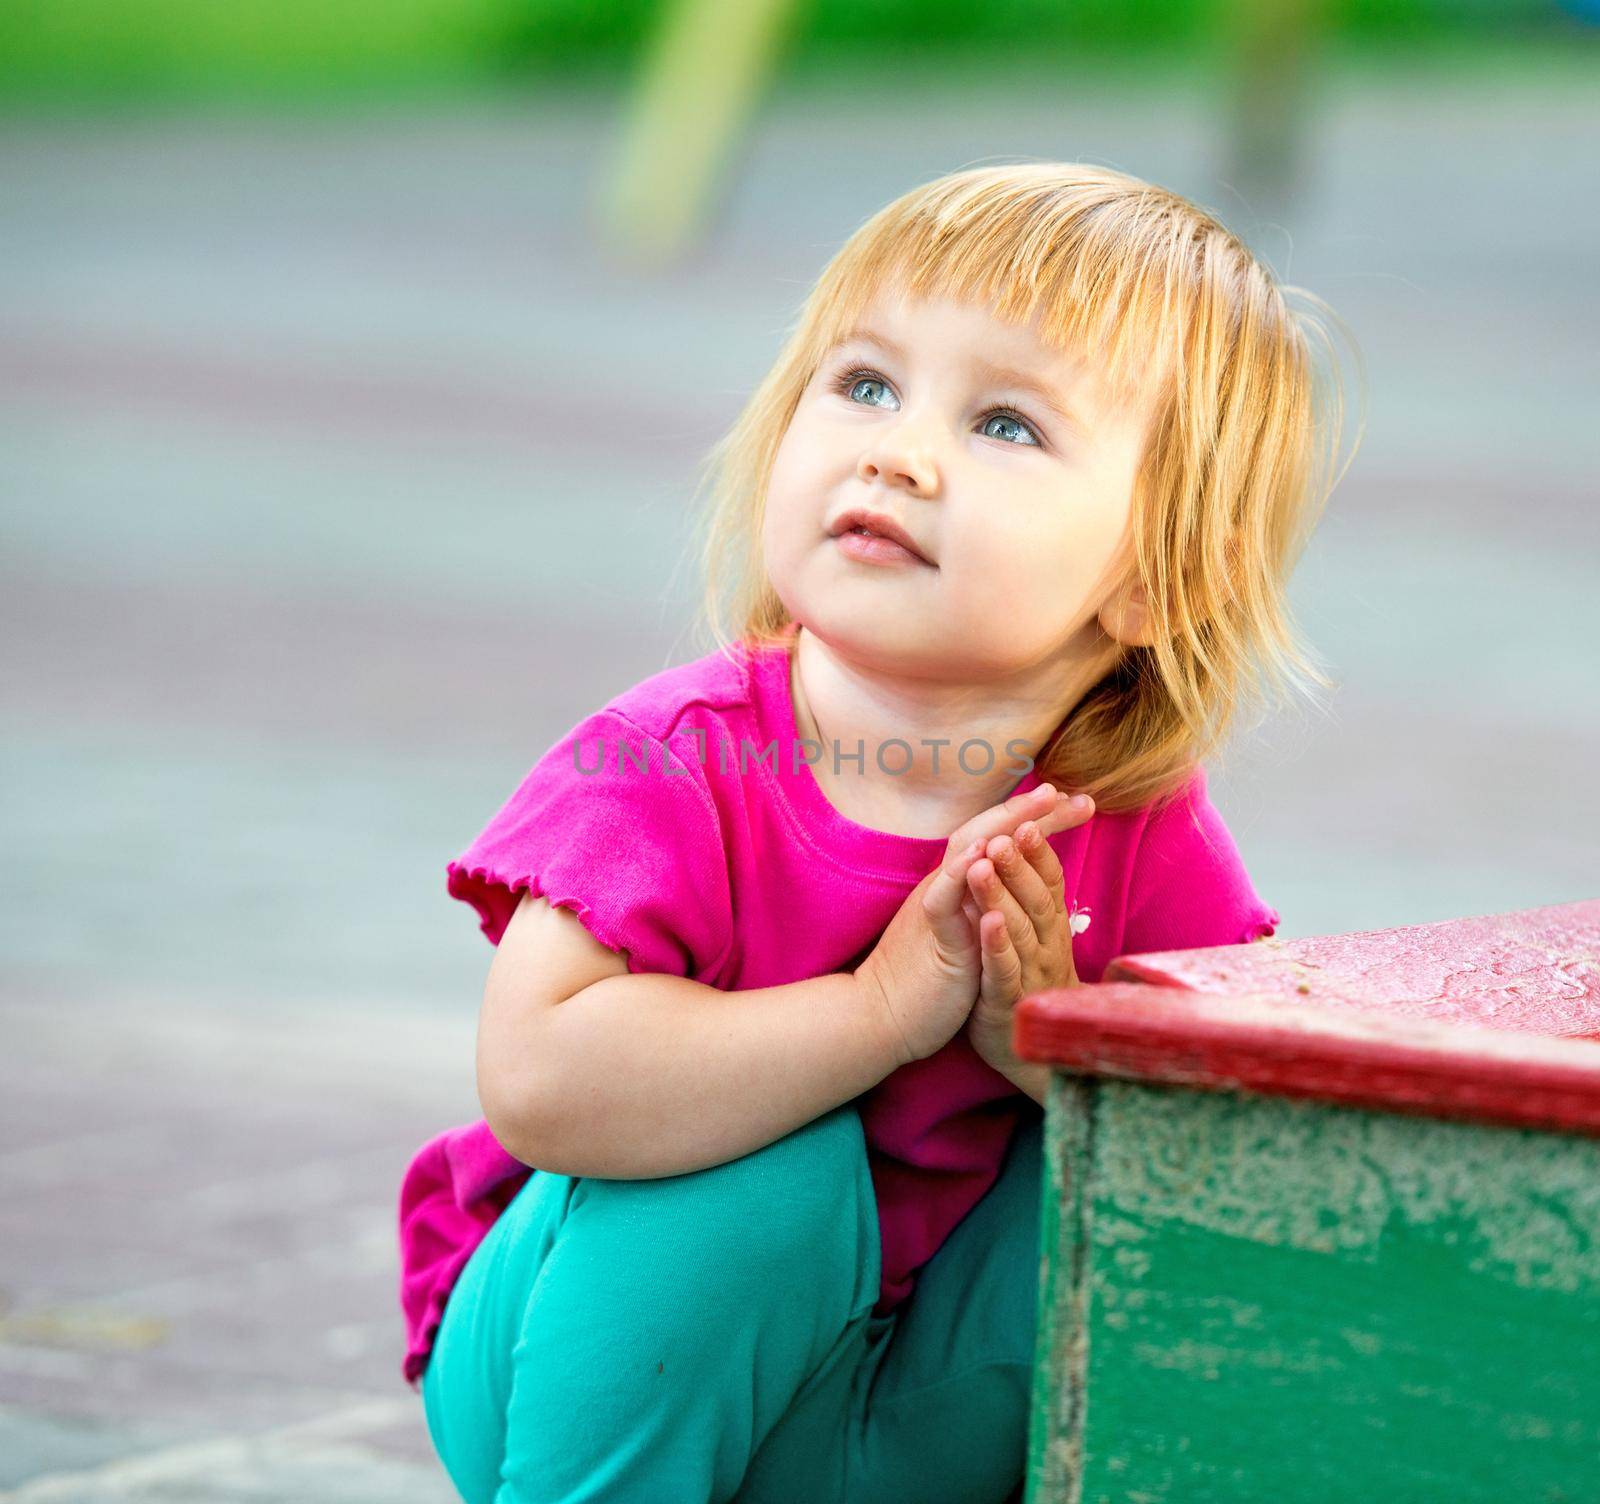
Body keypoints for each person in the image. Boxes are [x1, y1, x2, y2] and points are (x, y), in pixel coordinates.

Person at [396, 161, 1356, 1504]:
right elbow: (542, 1080)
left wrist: (1050, 1048)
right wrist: (882, 1013)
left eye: (1006, 424)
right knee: (757, 1179)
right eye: (864, 385)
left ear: (1154, 576)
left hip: (892, 1421)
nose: (897, 450)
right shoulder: (674, 760)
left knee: (1114, 1184)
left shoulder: (1125, 822)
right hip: (589, 1393)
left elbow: (1244, 1167)